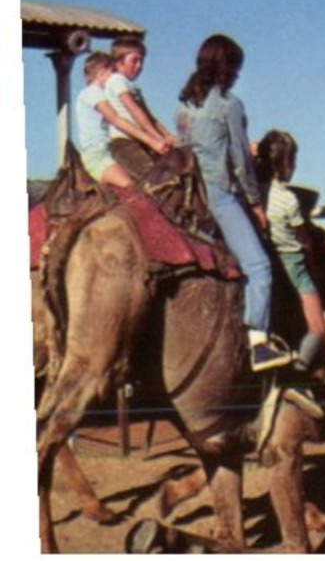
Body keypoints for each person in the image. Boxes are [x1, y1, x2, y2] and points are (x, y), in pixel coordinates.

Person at [174, 34, 292, 373]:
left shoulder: (183, 105)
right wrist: (255, 203)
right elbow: (239, 160)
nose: (238, 75)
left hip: (188, 192)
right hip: (219, 195)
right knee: (260, 268)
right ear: (227, 68)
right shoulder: (230, 105)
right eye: (236, 68)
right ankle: (258, 342)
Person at [256, 130, 325, 372]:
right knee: (318, 328)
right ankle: (298, 372)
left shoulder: (255, 192)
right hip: (294, 264)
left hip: (270, 258)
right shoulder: (289, 200)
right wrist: (313, 263)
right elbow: (303, 239)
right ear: (287, 164)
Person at [74, 52, 168, 188]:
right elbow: (116, 119)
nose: (113, 78)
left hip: (105, 152)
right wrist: (152, 141)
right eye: (112, 72)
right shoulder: (92, 93)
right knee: (133, 189)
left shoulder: (93, 94)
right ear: (102, 71)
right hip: (97, 156)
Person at [103, 37, 174, 157]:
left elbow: (148, 116)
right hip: (124, 141)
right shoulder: (116, 80)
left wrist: (167, 135)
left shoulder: (133, 88)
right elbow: (134, 111)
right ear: (119, 61)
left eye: (141, 61)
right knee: (152, 173)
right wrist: (157, 137)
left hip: (140, 140)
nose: (139, 66)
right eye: (134, 61)